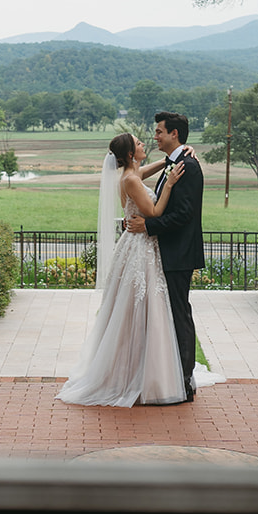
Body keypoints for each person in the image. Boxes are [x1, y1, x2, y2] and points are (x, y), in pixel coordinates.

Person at [55, 132, 191, 407]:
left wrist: (170, 162)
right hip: (140, 247)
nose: (144, 145)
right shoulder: (131, 179)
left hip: (133, 246)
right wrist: (170, 184)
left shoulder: (130, 175)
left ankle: (135, 368)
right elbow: (153, 212)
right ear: (130, 154)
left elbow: (146, 170)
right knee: (141, 307)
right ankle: (140, 374)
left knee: (132, 307)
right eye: (139, 144)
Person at [124, 111, 204, 401]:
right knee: (171, 316)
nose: (155, 136)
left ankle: (183, 381)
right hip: (165, 252)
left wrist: (148, 226)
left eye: (159, 132)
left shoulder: (188, 167)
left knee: (180, 315)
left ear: (174, 134)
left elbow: (184, 214)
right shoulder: (174, 163)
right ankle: (173, 375)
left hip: (179, 253)